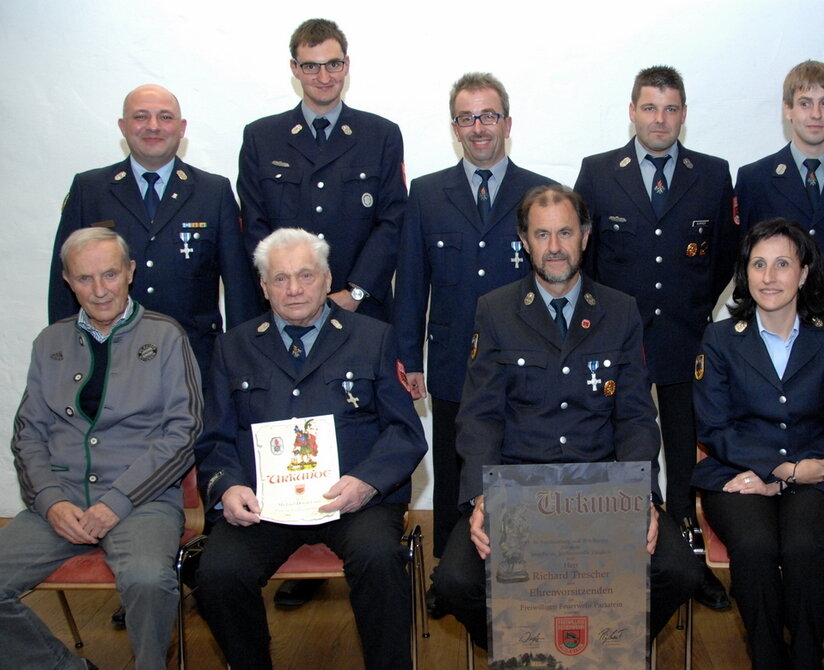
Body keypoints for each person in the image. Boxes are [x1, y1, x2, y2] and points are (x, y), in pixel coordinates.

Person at [429, 185, 701, 648]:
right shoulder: (495, 311)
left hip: (601, 492)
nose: (554, 247)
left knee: (679, 571)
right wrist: (479, 495)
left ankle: (604, 647)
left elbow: (636, 418)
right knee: (455, 583)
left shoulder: (620, 310)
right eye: (541, 234)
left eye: (565, 233)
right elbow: (479, 418)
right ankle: (528, 650)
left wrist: (641, 497)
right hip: (516, 490)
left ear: (586, 236)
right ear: (523, 241)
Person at [194, 228, 428, 670]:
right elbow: (215, 439)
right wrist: (228, 488)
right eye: (280, 279)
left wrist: (367, 483)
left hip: (354, 501)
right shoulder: (234, 347)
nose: (294, 288)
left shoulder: (373, 337)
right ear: (263, 287)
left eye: (305, 275)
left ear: (326, 278)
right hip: (265, 506)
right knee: (218, 572)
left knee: (380, 559)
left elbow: (405, 433)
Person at [1, 228, 201, 670]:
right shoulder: (48, 343)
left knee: (149, 581)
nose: (99, 289)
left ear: (130, 272)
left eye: (109, 274)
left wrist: (117, 502)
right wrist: (51, 502)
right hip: (60, 502)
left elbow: (183, 432)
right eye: (85, 278)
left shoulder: (166, 336)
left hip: (142, 502)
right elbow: (27, 434)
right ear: (68, 282)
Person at [574, 65, 736, 610]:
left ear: (684, 114)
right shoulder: (597, 173)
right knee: (627, 454)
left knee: (687, 458)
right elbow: (585, 261)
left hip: (686, 340)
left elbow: (722, 259)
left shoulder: (713, 175)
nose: (660, 119)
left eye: (670, 109)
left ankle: (690, 561)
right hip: (617, 345)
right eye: (649, 107)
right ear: (632, 111)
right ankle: (635, 556)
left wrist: (693, 310)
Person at [393, 72, 555, 556]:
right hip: (451, 364)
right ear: (454, 127)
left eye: (488, 116)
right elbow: (411, 283)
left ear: (507, 123)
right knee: (453, 469)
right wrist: (410, 359)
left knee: (520, 463)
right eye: (467, 117)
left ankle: (524, 564)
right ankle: (450, 569)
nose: (478, 127)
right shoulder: (425, 193)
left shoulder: (542, 194)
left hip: (524, 362)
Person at [693, 218, 824, 669]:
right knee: (753, 546)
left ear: (804, 272)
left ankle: (809, 656)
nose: (769, 277)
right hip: (736, 472)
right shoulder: (719, 339)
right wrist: (780, 471)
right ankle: (766, 655)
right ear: (745, 273)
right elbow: (714, 426)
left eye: (783, 264)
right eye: (758, 264)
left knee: (805, 547)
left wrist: (795, 474)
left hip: (818, 474)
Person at [48, 84, 260, 379]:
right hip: (109, 361)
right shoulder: (90, 190)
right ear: (122, 126)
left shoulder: (214, 192)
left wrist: (244, 362)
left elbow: (239, 288)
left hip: (194, 362)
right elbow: (64, 285)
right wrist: (65, 357)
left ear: (181, 127)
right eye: (140, 117)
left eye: (165, 117)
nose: (153, 126)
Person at [238, 18, 406, 323]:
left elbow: (392, 222)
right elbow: (254, 226)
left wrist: (356, 292)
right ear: (294, 68)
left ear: (347, 65)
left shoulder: (380, 135)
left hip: (361, 311)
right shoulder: (261, 138)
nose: (324, 76)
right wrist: (290, 291)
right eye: (311, 67)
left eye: (333, 64)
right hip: (285, 311)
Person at [734, 61, 824, 325]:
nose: (815, 114)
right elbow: (743, 256)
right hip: (772, 325)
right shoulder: (755, 180)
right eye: (804, 103)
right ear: (787, 109)